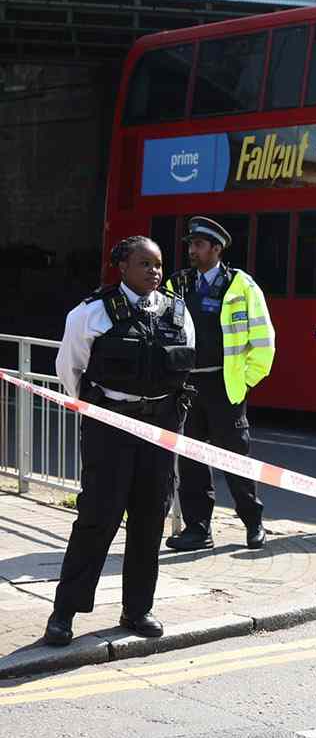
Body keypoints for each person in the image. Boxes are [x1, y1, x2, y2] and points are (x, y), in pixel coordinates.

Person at [44, 236, 196, 646]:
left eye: (159, 265)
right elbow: (69, 369)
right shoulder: (91, 313)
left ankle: (137, 609)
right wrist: (100, 409)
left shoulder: (178, 312)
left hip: (159, 430)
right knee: (97, 518)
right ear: (122, 267)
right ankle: (64, 613)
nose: (155, 272)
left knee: (150, 520)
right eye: (145, 264)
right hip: (109, 426)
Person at [163, 216, 275, 551]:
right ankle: (198, 530)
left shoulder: (242, 285)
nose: (192, 251)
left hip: (225, 387)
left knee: (235, 459)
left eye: (198, 245)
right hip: (188, 387)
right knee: (192, 460)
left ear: (216, 248)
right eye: (190, 245)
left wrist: (244, 381)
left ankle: (254, 524)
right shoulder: (177, 284)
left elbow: (264, 340)